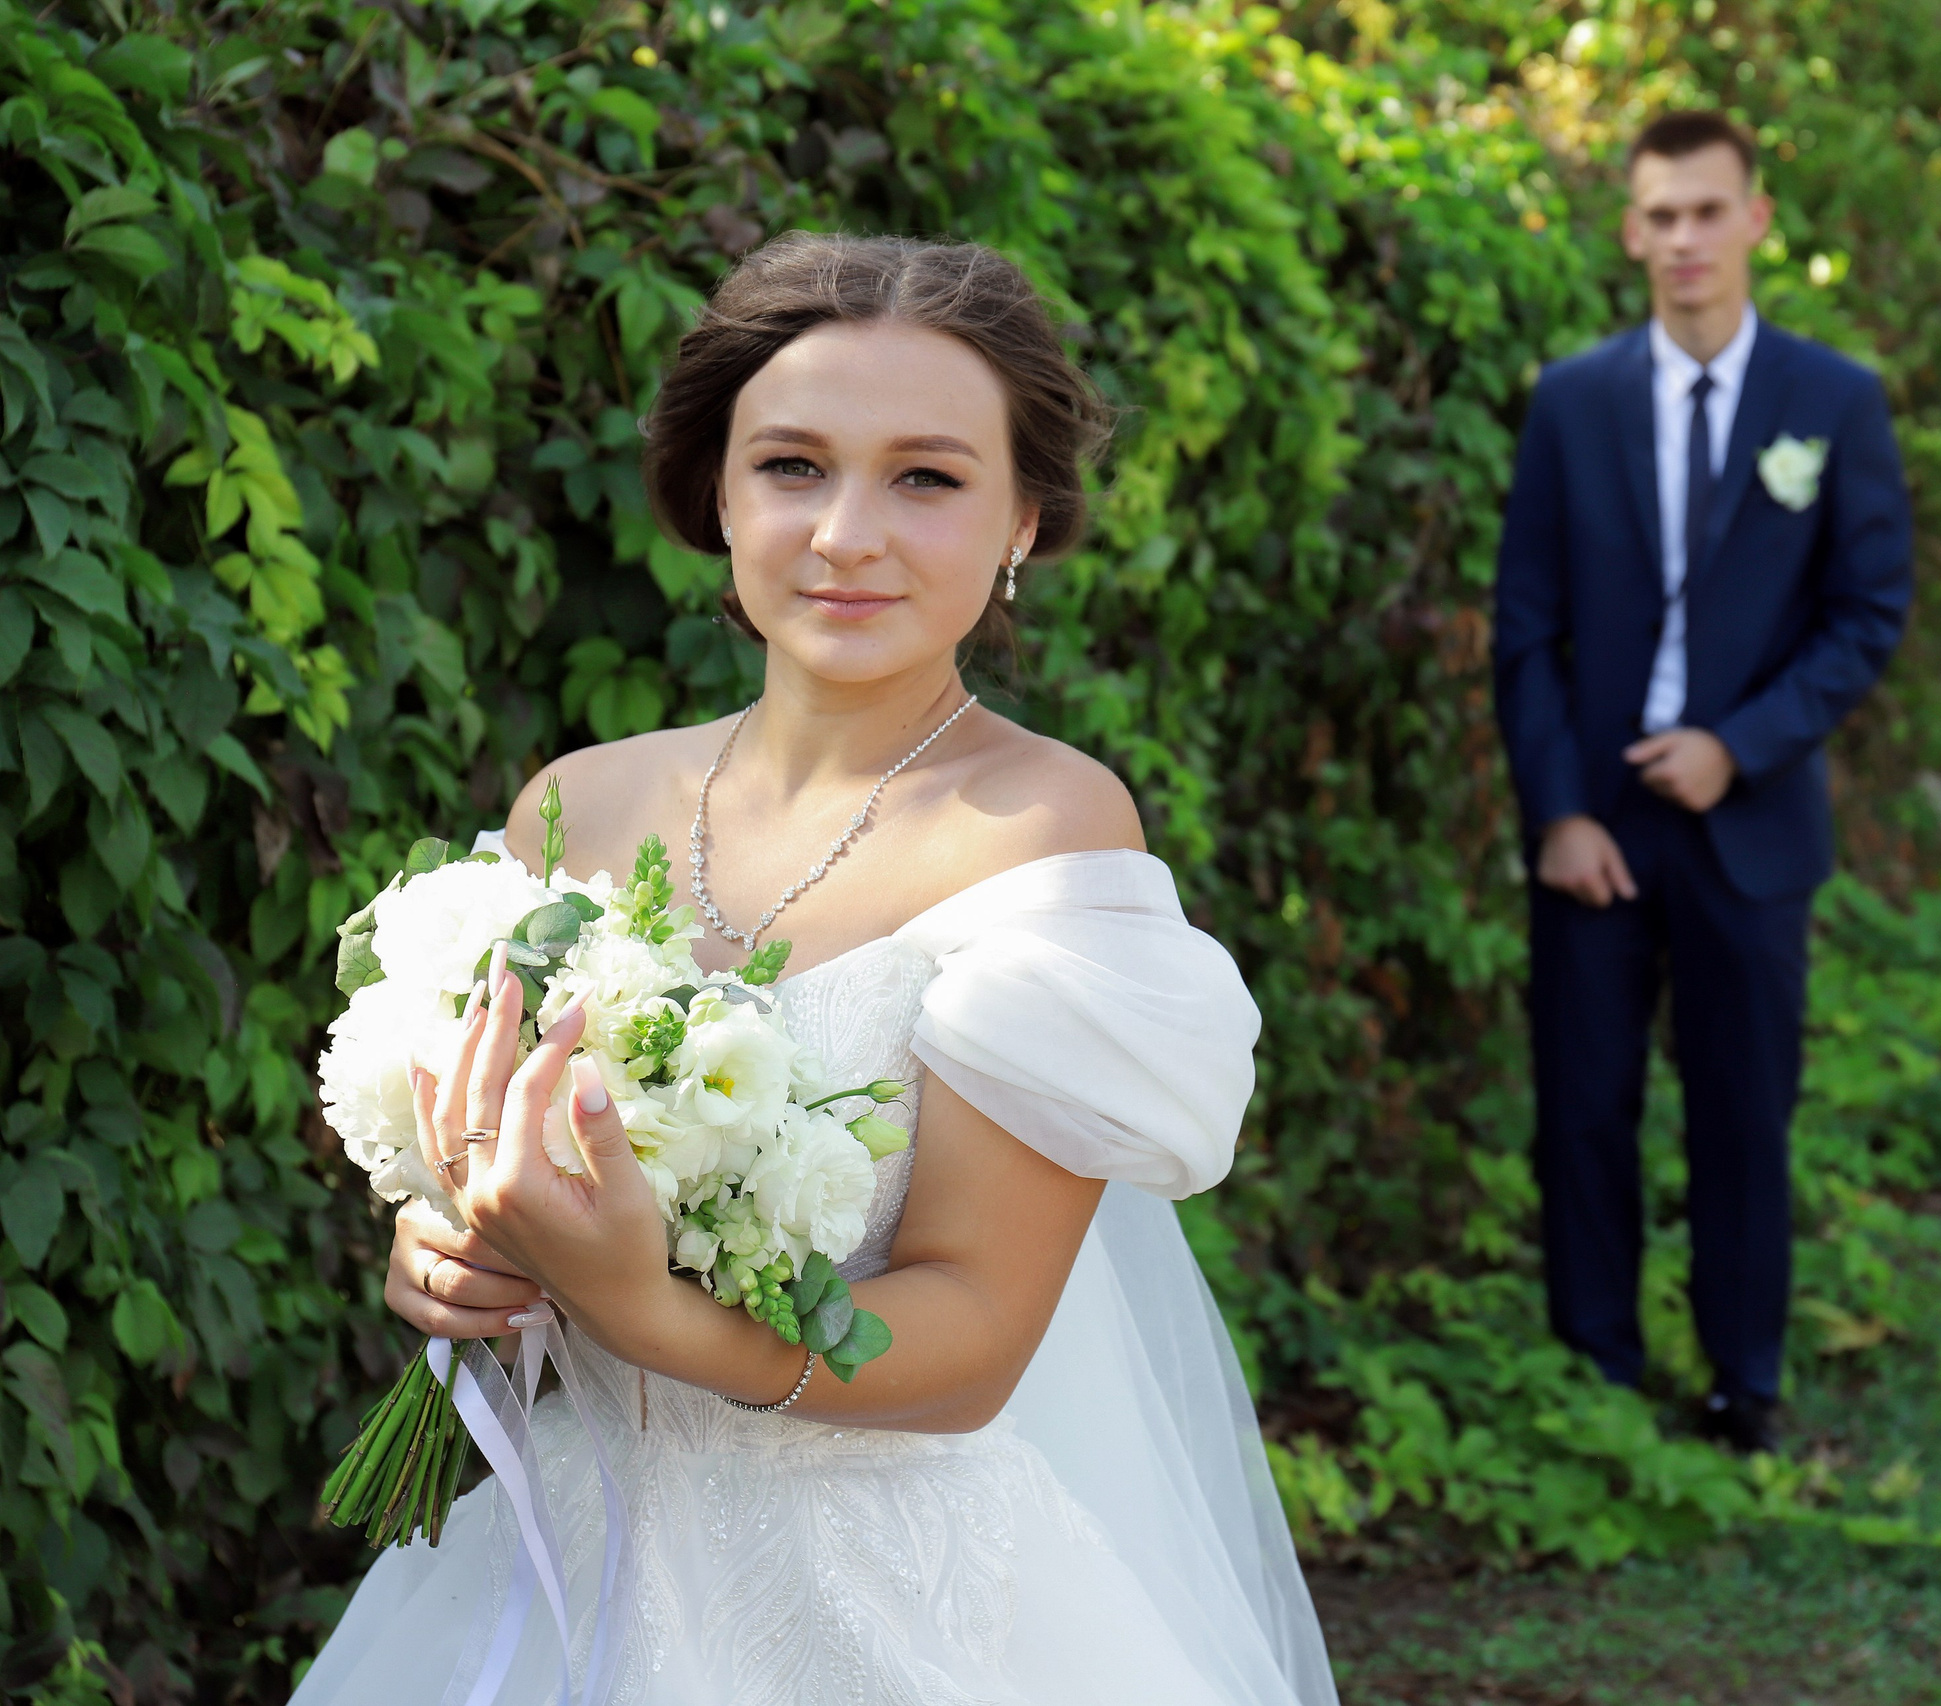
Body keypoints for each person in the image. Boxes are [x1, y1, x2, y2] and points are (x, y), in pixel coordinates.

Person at [292, 234, 1337, 1706]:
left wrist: (650, 1310)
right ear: (719, 495)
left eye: (927, 478)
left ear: (1024, 521)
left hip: (883, 1612)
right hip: (560, 1567)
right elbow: (504, 1195)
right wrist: (465, 1264)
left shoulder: (1045, 828)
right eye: (792, 466)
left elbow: (974, 1335)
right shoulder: (573, 807)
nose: (849, 532)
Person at [1493, 112, 1913, 1454]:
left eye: (1707, 211)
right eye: (1660, 214)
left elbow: (1867, 610)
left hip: (1752, 822)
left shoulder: (1832, 401)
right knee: (1583, 1110)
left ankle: (1744, 1382)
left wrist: (1740, 740)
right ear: (1631, 230)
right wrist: (1557, 808)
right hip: (1596, 830)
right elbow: (1526, 625)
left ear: (1757, 219)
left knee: (1743, 1113)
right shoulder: (1574, 398)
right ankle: (1595, 1374)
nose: (1684, 238)